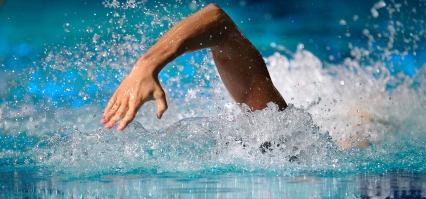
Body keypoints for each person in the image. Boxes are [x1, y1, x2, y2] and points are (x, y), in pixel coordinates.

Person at [101, 3, 287, 131]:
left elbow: (218, 20)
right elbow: (218, 21)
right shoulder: (281, 132)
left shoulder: (281, 141)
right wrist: (147, 65)